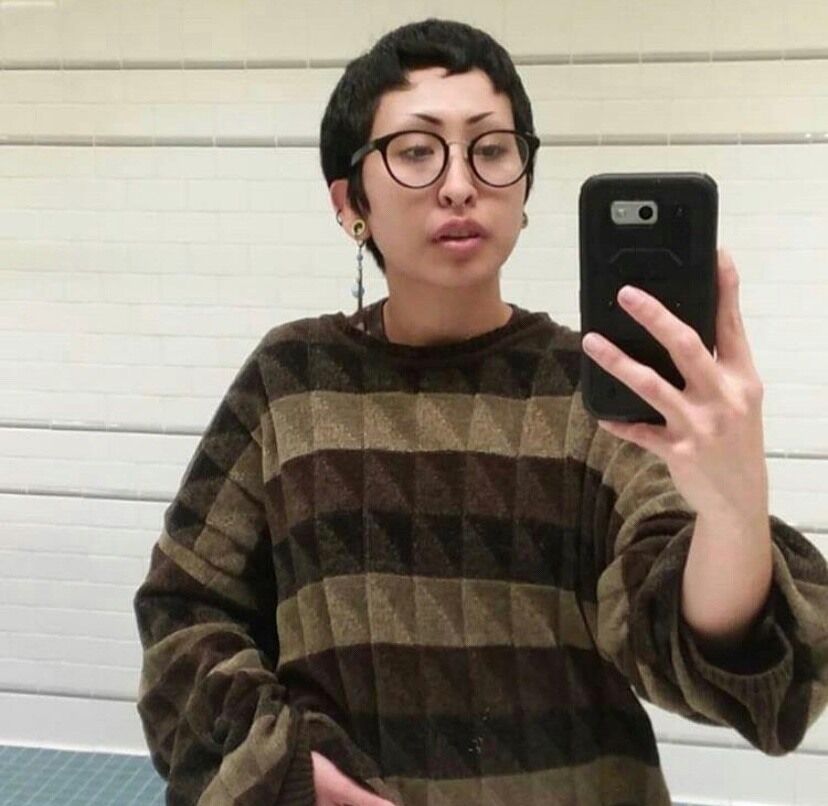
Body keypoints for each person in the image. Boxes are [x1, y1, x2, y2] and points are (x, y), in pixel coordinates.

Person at [133, 18, 828, 806]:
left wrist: (734, 509)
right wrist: (287, 772)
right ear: (350, 200)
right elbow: (185, 609)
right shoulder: (290, 380)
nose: (460, 183)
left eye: (492, 149)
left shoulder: (593, 388)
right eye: (416, 150)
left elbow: (691, 639)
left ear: (524, 188)